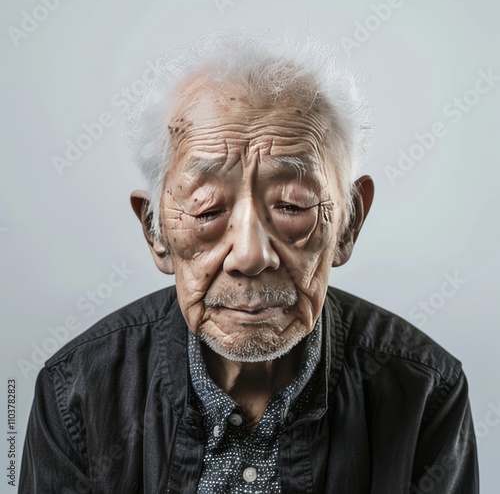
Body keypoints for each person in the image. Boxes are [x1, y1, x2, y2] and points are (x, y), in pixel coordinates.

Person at [20, 29, 479, 493]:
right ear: (156, 233)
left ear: (348, 224)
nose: (250, 254)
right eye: (208, 209)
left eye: (292, 205)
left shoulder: (425, 394)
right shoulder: (75, 394)